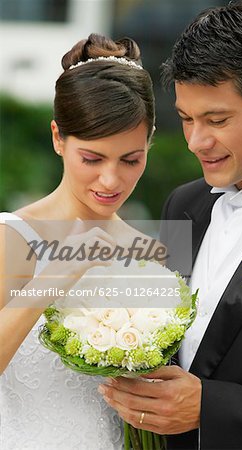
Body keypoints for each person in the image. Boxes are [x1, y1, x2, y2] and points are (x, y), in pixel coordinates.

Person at [98, 1, 242, 449]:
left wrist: (211, 409)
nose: (196, 141)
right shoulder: (182, 205)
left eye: (217, 120)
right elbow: (157, 334)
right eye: (187, 119)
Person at [0, 33, 156, 449]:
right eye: (92, 159)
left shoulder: (151, 254)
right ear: (58, 138)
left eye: (131, 160)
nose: (111, 180)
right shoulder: (12, 237)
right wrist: (53, 278)